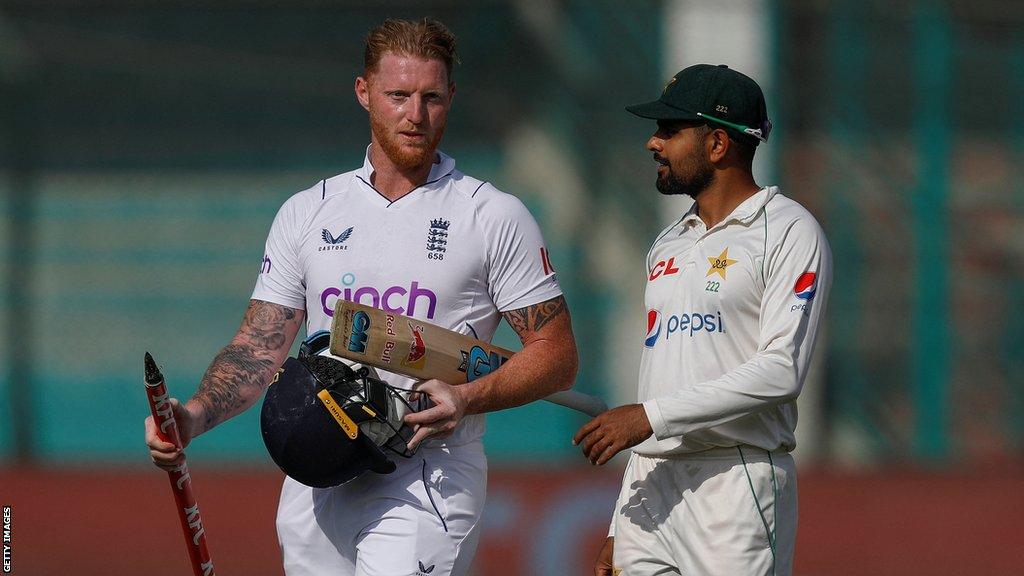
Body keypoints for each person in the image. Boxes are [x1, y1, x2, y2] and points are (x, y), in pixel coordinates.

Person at [145, 18, 578, 576]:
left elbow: (557, 355)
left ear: (452, 99)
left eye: (432, 97)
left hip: (428, 475)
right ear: (364, 92)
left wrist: (468, 399)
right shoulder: (309, 211)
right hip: (317, 470)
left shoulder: (492, 215)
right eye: (398, 95)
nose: (415, 115)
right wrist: (194, 416)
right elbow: (258, 347)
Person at [573, 64, 832, 576]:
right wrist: (617, 526)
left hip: (734, 484)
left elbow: (782, 371)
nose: (653, 142)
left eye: (669, 131)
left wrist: (649, 417)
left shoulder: (788, 231)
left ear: (717, 144)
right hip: (651, 488)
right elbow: (659, 379)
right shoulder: (666, 244)